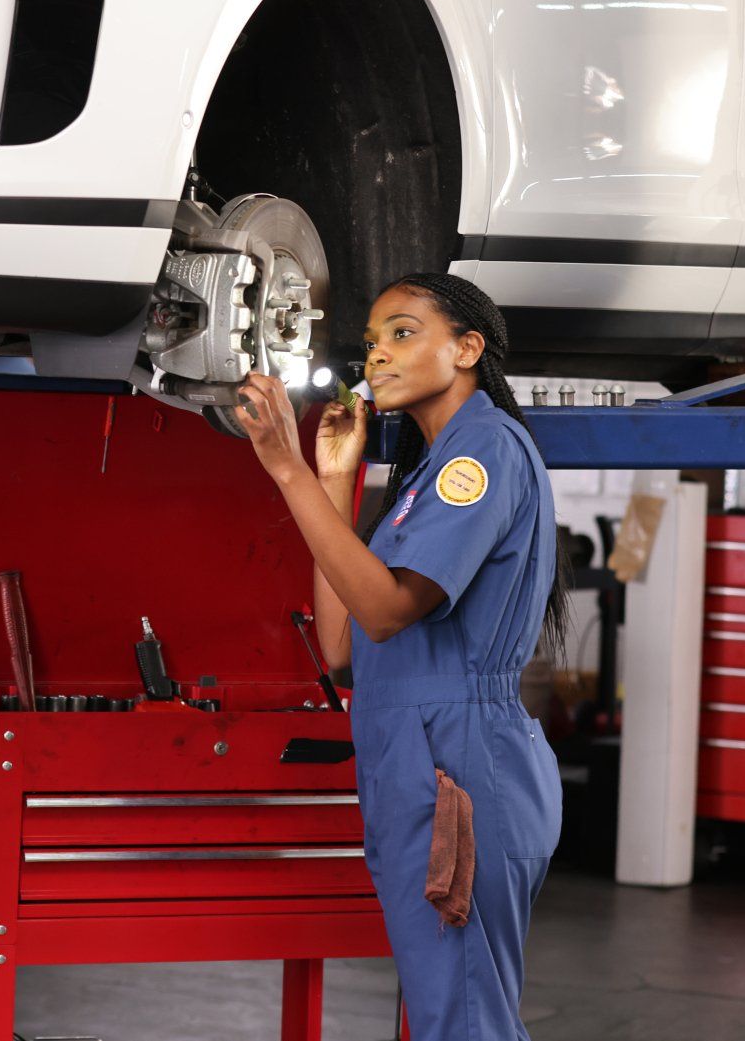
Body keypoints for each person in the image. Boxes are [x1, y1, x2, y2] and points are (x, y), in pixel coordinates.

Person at [234, 271, 565, 1041]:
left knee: (465, 1022)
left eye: (403, 333)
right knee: (452, 1014)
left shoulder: (481, 453)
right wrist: (332, 479)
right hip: (419, 761)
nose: (377, 353)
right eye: (372, 341)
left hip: (461, 766)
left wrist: (284, 467)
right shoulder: (427, 474)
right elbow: (340, 642)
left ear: (467, 349)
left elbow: (384, 611)